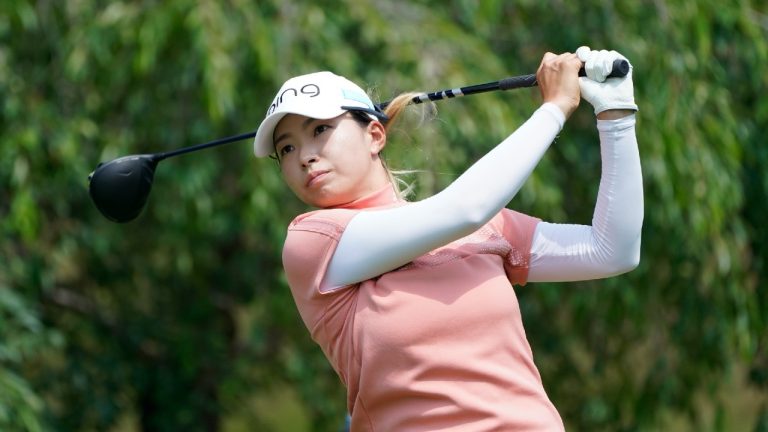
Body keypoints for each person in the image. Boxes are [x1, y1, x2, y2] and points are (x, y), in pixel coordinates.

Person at [252, 47, 643, 431]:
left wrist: (616, 116)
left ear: (374, 135)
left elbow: (611, 251)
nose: (305, 155)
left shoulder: (483, 228)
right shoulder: (314, 241)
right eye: (286, 147)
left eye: (320, 130)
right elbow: (465, 208)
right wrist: (553, 109)